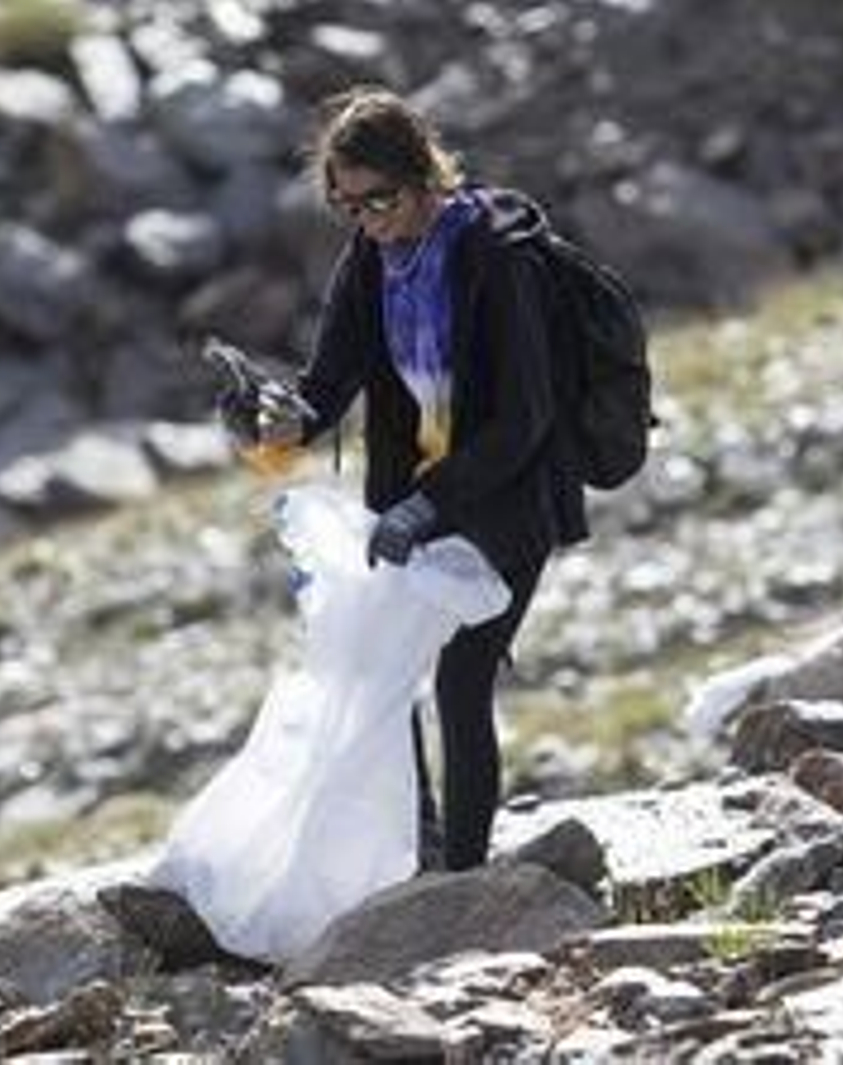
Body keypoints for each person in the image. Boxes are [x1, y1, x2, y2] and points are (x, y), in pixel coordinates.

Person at [220, 85, 589, 872]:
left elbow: (525, 416)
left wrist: (429, 504)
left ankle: (463, 878)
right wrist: (271, 422)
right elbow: (327, 388)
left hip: (505, 502)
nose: (366, 219)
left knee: (461, 681)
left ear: (424, 175)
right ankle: (418, 856)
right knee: (386, 683)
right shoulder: (370, 260)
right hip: (411, 509)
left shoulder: (494, 255)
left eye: (378, 199)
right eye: (346, 205)